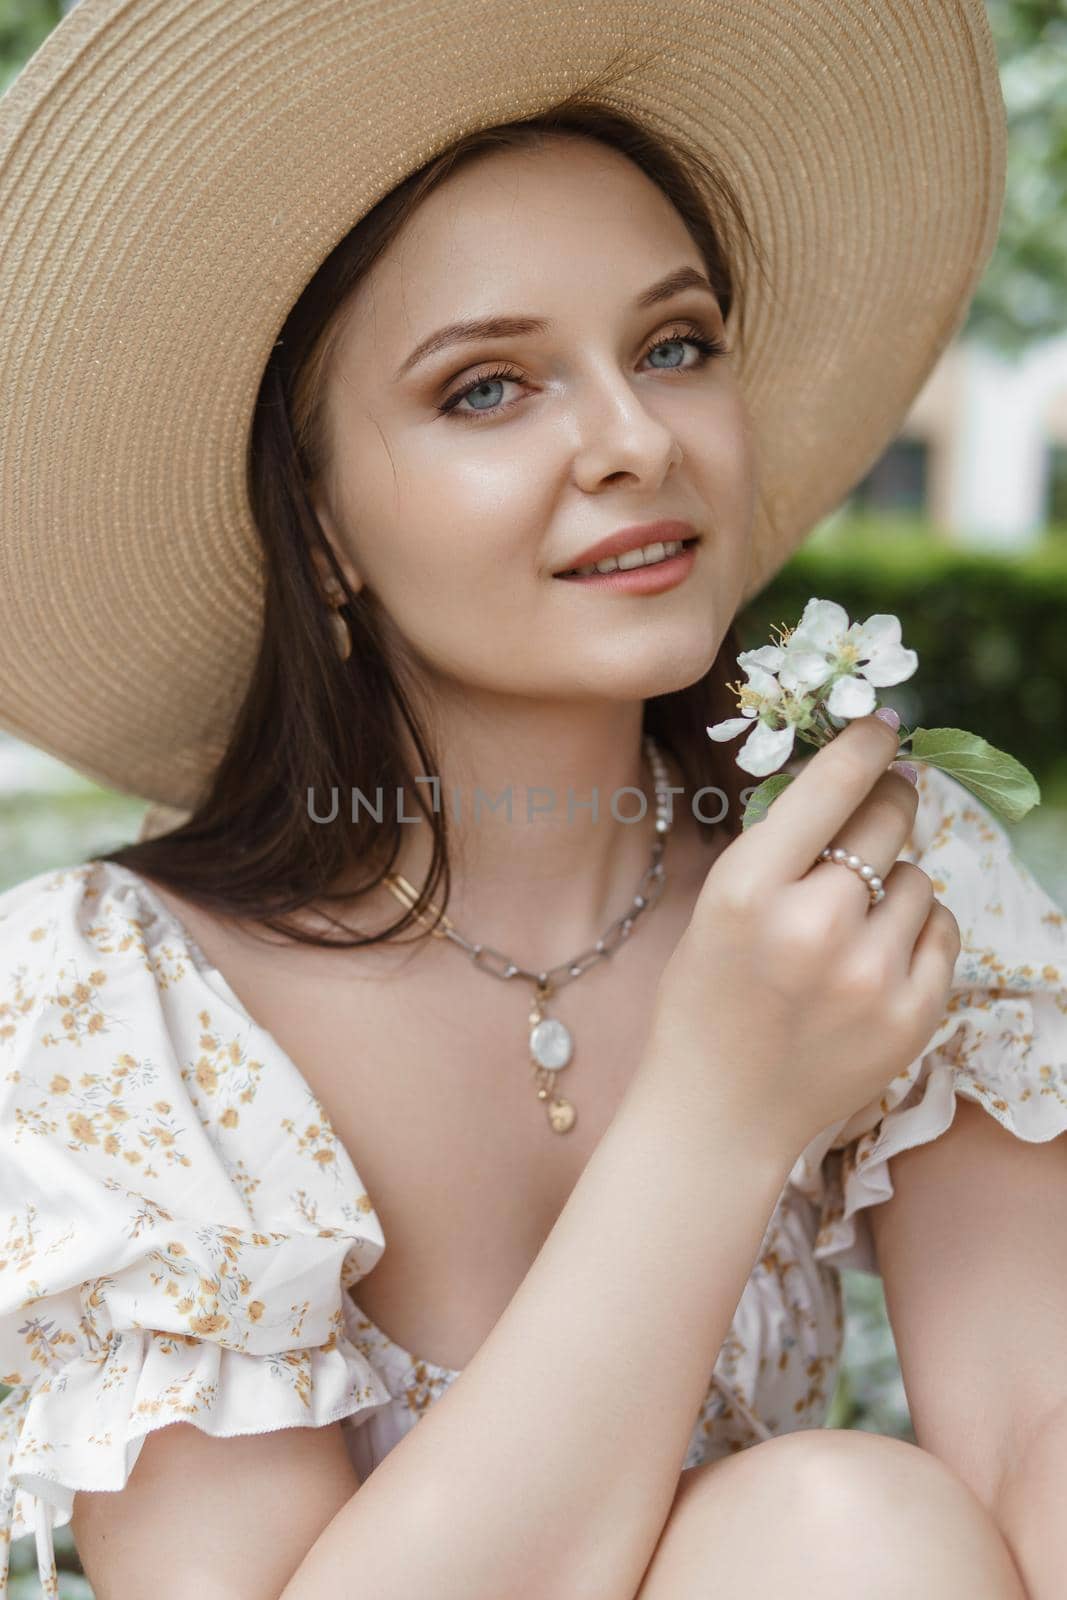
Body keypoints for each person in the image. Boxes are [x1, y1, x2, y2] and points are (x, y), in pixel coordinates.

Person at [0, 2, 1062, 1597]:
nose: (634, 440)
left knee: (844, 1527)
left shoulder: (871, 880)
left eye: (675, 345)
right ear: (323, 521)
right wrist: (723, 1106)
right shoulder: (117, 1005)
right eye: (487, 390)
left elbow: (1037, 1452)